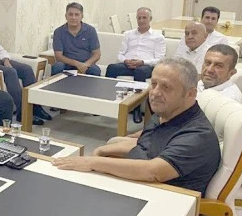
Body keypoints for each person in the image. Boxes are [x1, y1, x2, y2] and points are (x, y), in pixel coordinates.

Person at [53, 58, 221, 196]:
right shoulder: (166, 113)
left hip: (160, 198)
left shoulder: (198, 135)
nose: (155, 92)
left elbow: (153, 172)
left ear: (190, 94)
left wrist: (93, 162)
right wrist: (101, 151)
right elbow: (147, 144)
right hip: (139, 184)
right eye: (153, 84)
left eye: (166, 87)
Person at [105, 7, 166, 82]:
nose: (141, 20)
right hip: (128, 65)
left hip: (146, 66)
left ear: (150, 19)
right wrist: (125, 60)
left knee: (139, 71)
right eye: (139, 18)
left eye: (144, 18)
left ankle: (139, 90)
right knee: (111, 68)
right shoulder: (128, 34)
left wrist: (142, 62)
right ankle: (107, 89)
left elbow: (160, 60)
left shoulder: (158, 37)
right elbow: (120, 54)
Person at [51, 2, 101, 76]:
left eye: (77, 15)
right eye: (70, 14)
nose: (73, 17)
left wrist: (86, 64)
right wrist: (76, 63)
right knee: (57, 67)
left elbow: (97, 54)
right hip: (67, 64)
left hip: (86, 64)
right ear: (66, 16)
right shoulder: (58, 32)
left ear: (82, 16)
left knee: (95, 70)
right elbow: (58, 57)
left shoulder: (90, 30)